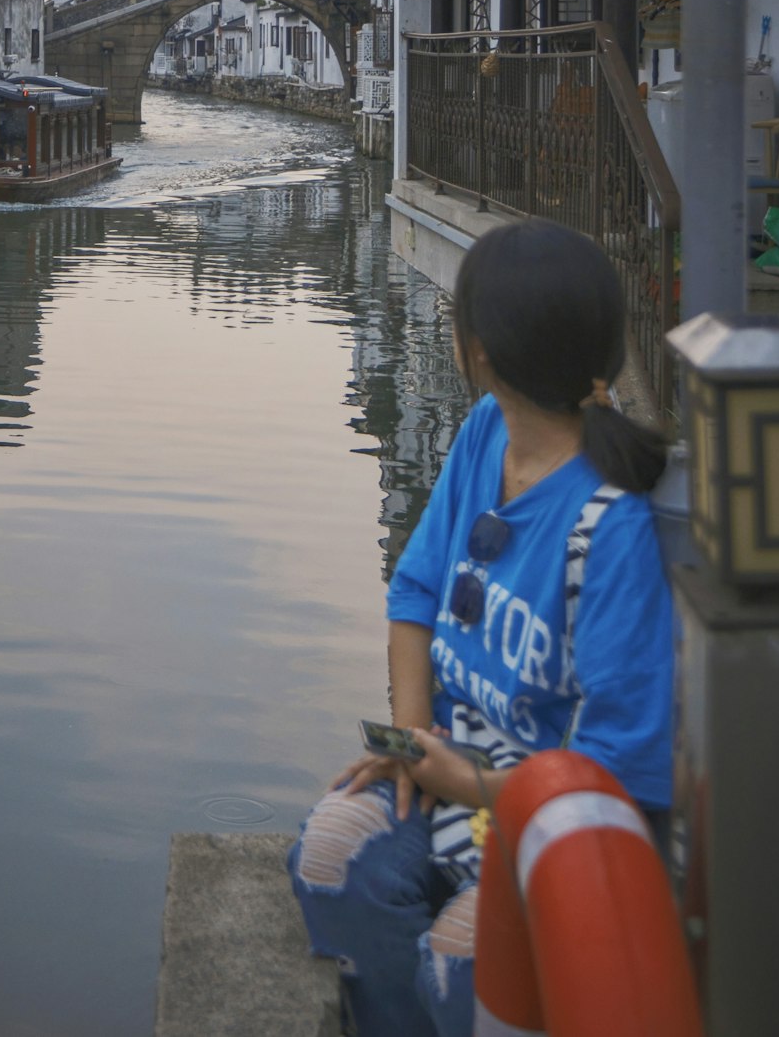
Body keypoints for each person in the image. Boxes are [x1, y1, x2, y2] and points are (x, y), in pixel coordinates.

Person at [288, 220, 673, 1037]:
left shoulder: (608, 526)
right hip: (449, 760)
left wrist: (469, 786)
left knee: (465, 959)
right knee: (327, 855)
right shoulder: (482, 436)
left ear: (482, 352)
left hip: (549, 815)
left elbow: (620, 769)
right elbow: (417, 590)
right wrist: (410, 741)